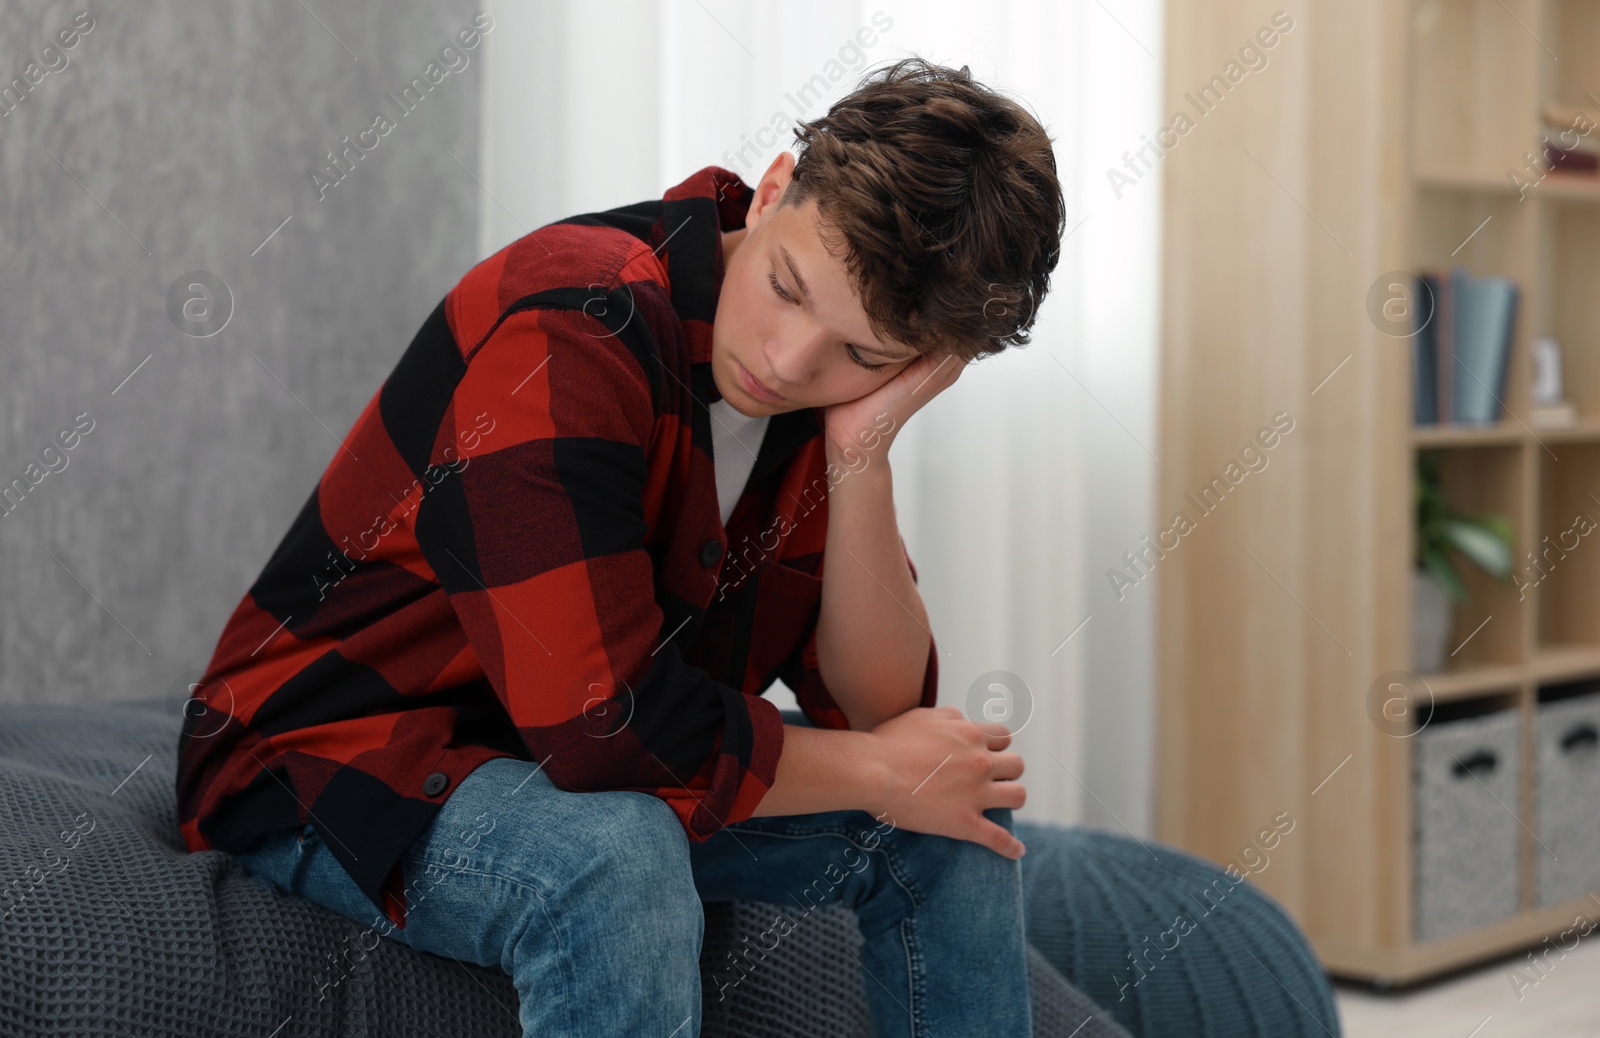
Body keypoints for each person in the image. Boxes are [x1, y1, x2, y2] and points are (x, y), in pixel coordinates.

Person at [174, 56, 1066, 1037]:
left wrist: (862, 454)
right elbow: (600, 728)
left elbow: (882, 708)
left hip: (555, 758)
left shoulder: (828, 397)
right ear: (770, 192)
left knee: (958, 818)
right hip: (333, 753)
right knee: (621, 848)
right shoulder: (574, 324)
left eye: (861, 352)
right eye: (785, 288)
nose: (787, 360)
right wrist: (877, 772)